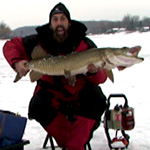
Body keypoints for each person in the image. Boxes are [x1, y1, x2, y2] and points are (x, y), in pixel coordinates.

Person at [3, 3, 107, 150]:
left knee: (97, 100)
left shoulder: (84, 44)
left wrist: (93, 72)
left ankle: (74, 145)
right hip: (51, 93)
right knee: (38, 105)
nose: (59, 23)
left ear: (68, 22)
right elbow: (10, 46)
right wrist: (17, 63)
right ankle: (71, 142)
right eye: (55, 19)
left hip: (79, 93)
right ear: (51, 23)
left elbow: (101, 79)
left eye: (62, 19)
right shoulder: (39, 40)